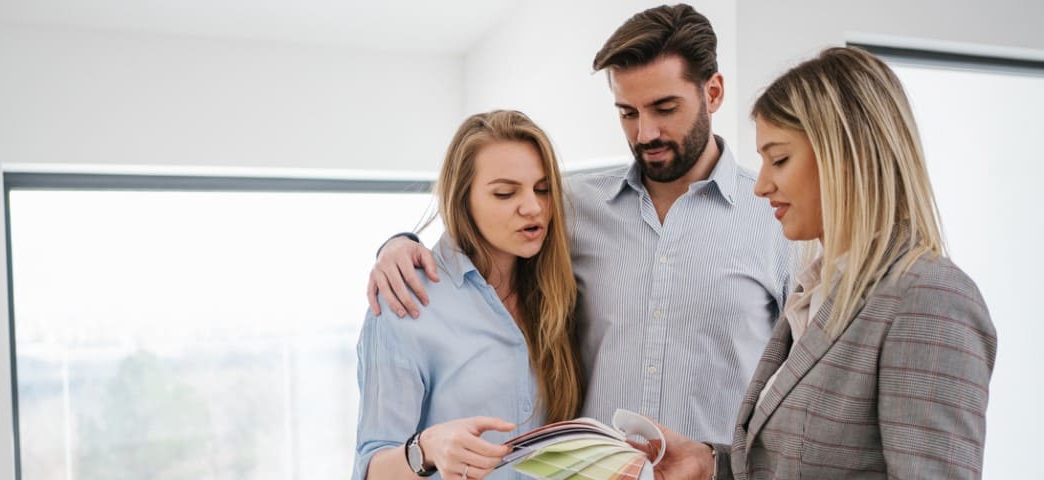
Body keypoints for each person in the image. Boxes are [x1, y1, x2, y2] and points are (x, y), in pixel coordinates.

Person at [367, 3, 791, 444]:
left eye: (664, 108)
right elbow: (479, 232)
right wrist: (398, 245)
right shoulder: (570, 206)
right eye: (628, 112)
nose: (644, 133)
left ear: (714, 93)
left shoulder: (777, 217)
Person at [650, 46, 998, 479]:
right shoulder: (816, 292)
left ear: (845, 157)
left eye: (779, 159)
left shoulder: (930, 299)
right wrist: (710, 465)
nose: (760, 185)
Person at [352, 110, 583, 480]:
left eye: (542, 189)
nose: (533, 207)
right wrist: (426, 448)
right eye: (505, 193)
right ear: (462, 198)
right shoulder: (405, 301)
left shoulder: (560, 291)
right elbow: (370, 469)